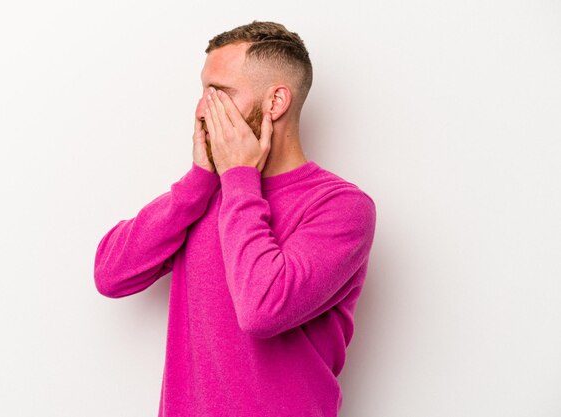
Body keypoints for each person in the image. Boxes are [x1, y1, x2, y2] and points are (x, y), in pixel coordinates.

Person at [94, 20, 377, 417]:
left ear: (276, 102)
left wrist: (240, 181)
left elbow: (262, 310)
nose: (201, 110)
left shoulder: (341, 206)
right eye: (202, 92)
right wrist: (197, 183)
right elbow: (110, 275)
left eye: (219, 93)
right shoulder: (205, 193)